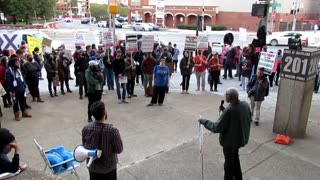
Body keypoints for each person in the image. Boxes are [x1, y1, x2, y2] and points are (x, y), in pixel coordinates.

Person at [199, 88, 251, 180]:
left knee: (228, 164)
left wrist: (203, 121)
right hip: (240, 139)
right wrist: (225, 111)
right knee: (235, 159)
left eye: (226, 94)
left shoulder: (230, 110)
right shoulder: (245, 105)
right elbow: (239, 117)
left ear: (230, 96)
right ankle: (238, 177)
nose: (225, 96)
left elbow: (216, 127)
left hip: (230, 142)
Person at [82, 101, 123, 180]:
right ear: (105, 113)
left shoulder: (86, 128)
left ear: (93, 115)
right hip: (108, 169)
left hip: (93, 167)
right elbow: (119, 149)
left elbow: (84, 146)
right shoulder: (113, 131)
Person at [6, 55, 32, 121]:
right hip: (15, 90)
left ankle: (24, 112)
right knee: (15, 102)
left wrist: (24, 85)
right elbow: (9, 82)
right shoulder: (8, 71)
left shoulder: (18, 69)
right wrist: (12, 91)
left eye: (18, 62)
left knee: (23, 101)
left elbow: (21, 78)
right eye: (16, 62)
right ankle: (16, 115)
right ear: (12, 63)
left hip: (21, 88)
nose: (18, 63)